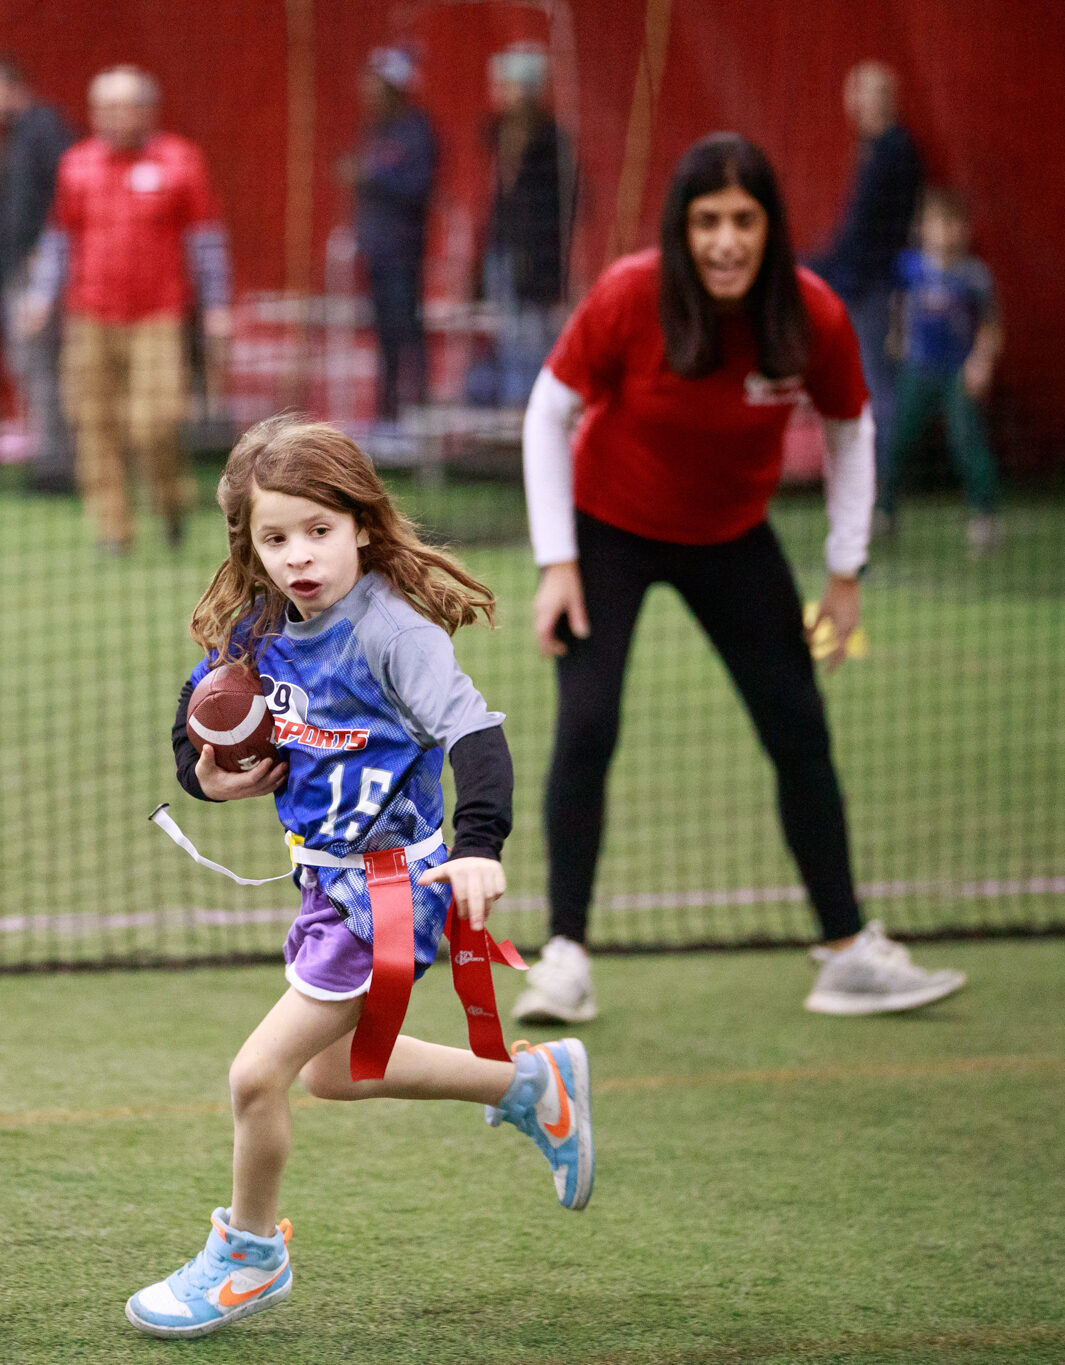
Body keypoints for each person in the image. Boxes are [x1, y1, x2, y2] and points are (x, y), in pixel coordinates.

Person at [124, 416, 594, 1339]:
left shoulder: (390, 631)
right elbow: (201, 710)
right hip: (326, 885)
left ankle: (248, 1256)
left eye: (318, 530)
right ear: (250, 546)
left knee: (256, 1075)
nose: (299, 556)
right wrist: (203, 772)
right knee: (339, 1073)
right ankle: (532, 1086)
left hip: (392, 892)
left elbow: (476, 734)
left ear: (362, 526)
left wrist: (480, 844)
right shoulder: (261, 622)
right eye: (275, 537)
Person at [514, 132, 966, 1025]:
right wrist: (556, 562)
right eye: (707, 220)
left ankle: (846, 953)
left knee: (798, 727)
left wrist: (845, 572)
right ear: (682, 228)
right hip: (610, 528)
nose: (724, 240)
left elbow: (850, 429)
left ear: (770, 227)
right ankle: (563, 958)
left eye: (743, 220)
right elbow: (547, 411)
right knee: (588, 723)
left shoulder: (811, 313)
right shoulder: (628, 294)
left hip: (732, 535)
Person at [24, 65, 232, 552]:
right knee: (92, 422)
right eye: (103, 107)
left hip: (159, 316)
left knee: (154, 422)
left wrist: (217, 305)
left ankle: (170, 502)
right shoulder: (76, 164)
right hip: (89, 315)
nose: (111, 117)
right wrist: (40, 295)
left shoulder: (181, 161)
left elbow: (206, 242)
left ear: (145, 110)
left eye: (122, 106)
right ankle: (113, 529)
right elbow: (59, 239)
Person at [810, 61, 923, 495]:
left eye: (867, 93)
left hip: (872, 286)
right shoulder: (877, 149)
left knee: (878, 389)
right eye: (855, 93)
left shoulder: (895, 151)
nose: (857, 103)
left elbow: (870, 232)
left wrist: (831, 269)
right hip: (859, 280)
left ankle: (880, 491)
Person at [876, 187, 1003, 554]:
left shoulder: (974, 276)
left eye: (951, 224)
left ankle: (985, 518)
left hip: (957, 375)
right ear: (923, 228)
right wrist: (896, 335)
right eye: (936, 224)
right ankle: (884, 513)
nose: (944, 233)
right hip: (918, 370)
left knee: (967, 443)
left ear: (962, 229)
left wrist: (980, 363)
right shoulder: (909, 268)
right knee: (897, 439)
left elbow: (990, 327)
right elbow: (898, 304)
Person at [478, 42, 576, 408]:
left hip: (536, 259)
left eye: (506, 85)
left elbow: (567, 203)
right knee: (507, 334)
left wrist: (540, 253)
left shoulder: (551, 142)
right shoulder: (501, 138)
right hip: (504, 251)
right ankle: (512, 410)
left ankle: (533, 408)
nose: (499, 93)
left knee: (534, 338)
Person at [344, 47, 437, 426]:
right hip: (376, 250)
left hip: (404, 250)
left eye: (377, 84)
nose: (368, 91)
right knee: (383, 333)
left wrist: (370, 178)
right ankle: (388, 413)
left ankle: (418, 412)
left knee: (406, 328)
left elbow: (419, 187)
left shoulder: (417, 132)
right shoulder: (374, 131)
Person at [0, 55, 75, 491]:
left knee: (40, 365)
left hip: (37, 273)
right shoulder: (19, 135)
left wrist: (43, 255)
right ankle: (50, 458)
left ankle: (54, 467)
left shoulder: (42, 129)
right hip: (19, 270)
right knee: (32, 366)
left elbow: (62, 199)